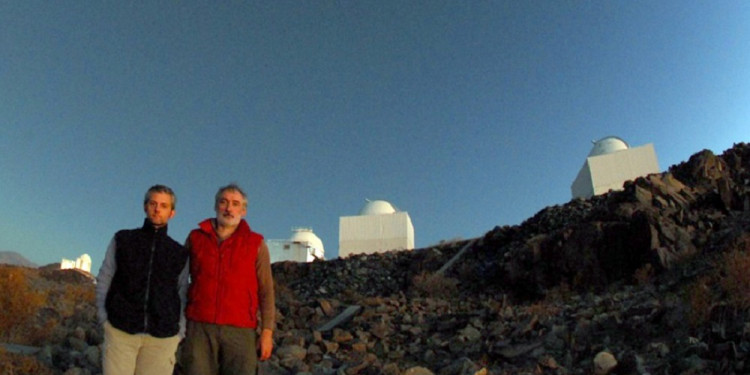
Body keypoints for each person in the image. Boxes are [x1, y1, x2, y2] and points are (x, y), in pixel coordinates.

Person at [182, 183, 275, 375]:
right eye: (223, 202)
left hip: (240, 331)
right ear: (216, 206)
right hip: (199, 327)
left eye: (235, 203)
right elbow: (180, 281)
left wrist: (267, 332)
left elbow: (266, 290)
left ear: (243, 210)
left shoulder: (256, 243)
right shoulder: (195, 238)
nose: (229, 208)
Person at [95, 184, 189, 375]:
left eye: (164, 205)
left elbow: (183, 292)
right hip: (121, 333)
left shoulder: (178, 253)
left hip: (162, 339)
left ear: (172, 213)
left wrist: (180, 332)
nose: (157, 209)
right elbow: (105, 277)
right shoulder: (123, 240)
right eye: (153, 203)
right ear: (145, 206)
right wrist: (104, 318)